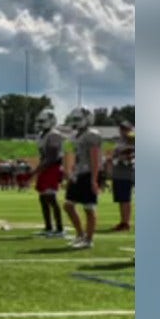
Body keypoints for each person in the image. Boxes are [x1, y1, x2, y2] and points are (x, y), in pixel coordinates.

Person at [63, 107, 103, 249]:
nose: (75, 122)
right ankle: (80, 235)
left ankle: (89, 240)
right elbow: (75, 156)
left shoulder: (92, 134)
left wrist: (94, 179)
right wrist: (71, 172)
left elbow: (95, 159)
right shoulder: (76, 135)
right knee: (68, 205)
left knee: (89, 208)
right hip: (78, 173)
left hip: (88, 173)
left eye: (78, 119)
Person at [26, 109, 67, 237]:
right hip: (45, 167)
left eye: (42, 121)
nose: (39, 123)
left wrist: (36, 171)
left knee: (51, 198)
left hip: (52, 168)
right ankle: (48, 227)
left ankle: (60, 229)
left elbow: (52, 157)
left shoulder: (54, 134)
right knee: (43, 198)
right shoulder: (43, 135)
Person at [108, 120, 135, 231]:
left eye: (125, 129)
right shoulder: (119, 141)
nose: (123, 131)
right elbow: (114, 154)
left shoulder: (132, 140)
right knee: (120, 199)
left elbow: (131, 155)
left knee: (125, 199)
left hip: (126, 172)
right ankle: (122, 221)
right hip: (118, 172)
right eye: (122, 129)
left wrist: (121, 156)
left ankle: (126, 223)